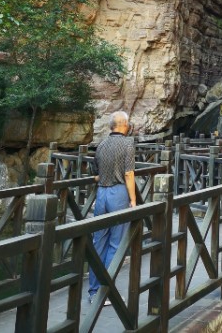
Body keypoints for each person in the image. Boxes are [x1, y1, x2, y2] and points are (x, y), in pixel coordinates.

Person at [88, 110, 137, 302]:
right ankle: (106, 291)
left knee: (98, 243)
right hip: (118, 193)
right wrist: (133, 200)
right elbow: (128, 174)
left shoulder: (101, 145)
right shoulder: (127, 144)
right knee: (116, 244)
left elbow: (96, 173)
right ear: (124, 125)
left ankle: (93, 292)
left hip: (102, 193)